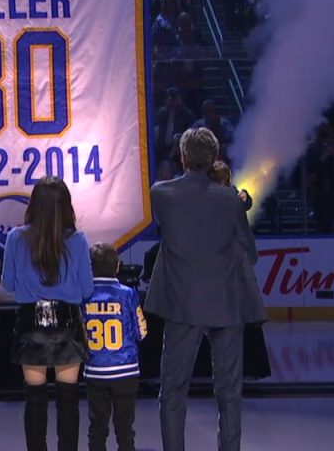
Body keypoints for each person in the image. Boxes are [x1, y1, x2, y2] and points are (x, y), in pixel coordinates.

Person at [146, 128, 266, 451]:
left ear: (182, 157)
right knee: (229, 392)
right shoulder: (230, 199)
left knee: (172, 391)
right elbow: (249, 252)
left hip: (182, 303)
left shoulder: (161, 193)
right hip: (227, 303)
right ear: (214, 158)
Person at [1, 176, 93, 451]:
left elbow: (7, 283)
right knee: (68, 401)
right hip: (67, 324)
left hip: (31, 325)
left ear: (34, 205)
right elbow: (87, 289)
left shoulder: (16, 238)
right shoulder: (78, 240)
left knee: (35, 402)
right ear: (67, 206)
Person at [83, 243, 147, 451]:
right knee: (125, 427)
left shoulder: (84, 296)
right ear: (117, 267)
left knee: (97, 427)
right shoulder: (127, 294)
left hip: (95, 371)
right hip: (126, 372)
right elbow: (141, 332)